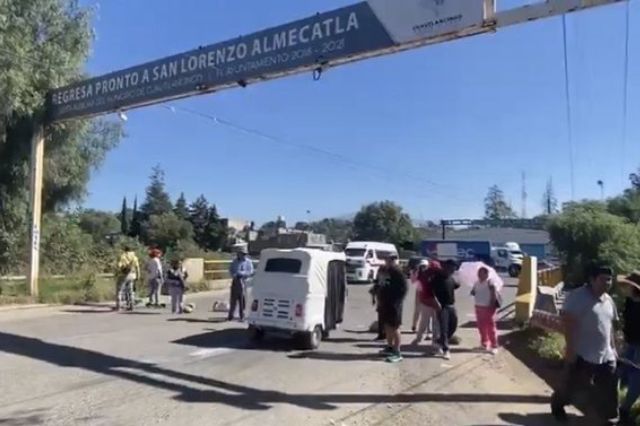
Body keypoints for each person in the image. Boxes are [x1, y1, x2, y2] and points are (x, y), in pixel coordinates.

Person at [550, 265, 618, 424]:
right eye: (603, 279)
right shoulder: (577, 297)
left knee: (609, 388)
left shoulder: (608, 300)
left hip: (605, 354)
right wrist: (571, 349)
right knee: (572, 386)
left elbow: (610, 327)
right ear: (592, 280)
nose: (607, 282)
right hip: (581, 352)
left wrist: (613, 348)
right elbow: (568, 324)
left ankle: (610, 418)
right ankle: (557, 404)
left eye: (609, 279)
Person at [617, 271, 640, 424]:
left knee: (636, 379)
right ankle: (616, 406)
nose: (624, 287)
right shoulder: (630, 301)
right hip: (630, 343)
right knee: (622, 374)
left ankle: (625, 410)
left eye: (628, 285)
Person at [376, 254, 408, 363]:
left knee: (395, 327)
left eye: (389, 260)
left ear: (394, 261)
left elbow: (404, 288)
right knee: (387, 326)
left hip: (394, 303)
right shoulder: (386, 271)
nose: (386, 261)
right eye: (386, 259)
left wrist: (397, 301)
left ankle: (397, 352)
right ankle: (390, 347)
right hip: (385, 303)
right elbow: (380, 284)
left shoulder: (397, 272)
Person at [431, 259, 460, 360]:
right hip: (441, 306)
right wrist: (436, 303)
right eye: (451, 268)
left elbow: (457, 285)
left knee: (453, 326)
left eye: (454, 268)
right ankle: (446, 349)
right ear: (446, 267)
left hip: (451, 306)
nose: (452, 270)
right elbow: (431, 292)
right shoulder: (437, 278)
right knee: (444, 328)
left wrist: (457, 278)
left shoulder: (451, 278)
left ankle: (439, 341)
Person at [471, 266, 499, 354]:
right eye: (478, 273)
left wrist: (491, 305)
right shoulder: (476, 282)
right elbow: (473, 292)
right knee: (481, 326)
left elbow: (493, 295)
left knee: (490, 327)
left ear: (486, 274)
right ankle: (484, 343)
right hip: (478, 306)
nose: (479, 275)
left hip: (488, 307)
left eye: (481, 273)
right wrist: (473, 290)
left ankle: (494, 345)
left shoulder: (490, 282)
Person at [412, 260, 441, 347]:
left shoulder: (428, 276)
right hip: (429, 301)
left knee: (432, 321)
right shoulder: (426, 276)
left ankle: (427, 339)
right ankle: (421, 338)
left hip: (429, 301)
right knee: (429, 321)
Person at [228, 248, 254, 321]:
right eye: (241, 254)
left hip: (244, 281)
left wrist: (243, 274)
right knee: (233, 299)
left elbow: (251, 271)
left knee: (242, 299)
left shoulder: (248, 262)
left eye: (244, 254)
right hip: (235, 281)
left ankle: (242, 315)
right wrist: (234, 275)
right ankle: (231, 315)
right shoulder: (235, 261)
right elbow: (230, 269)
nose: (243, 255)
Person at [115, 245, 140, 311]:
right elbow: (137, 267)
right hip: (132, 274)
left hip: (123, 274)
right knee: (131, 291)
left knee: (119, 290)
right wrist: (138, 276)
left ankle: (118, 306)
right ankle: (131, 306)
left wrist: (119, 270)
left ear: (125, 250)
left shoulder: (122, 256)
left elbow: (119, 265)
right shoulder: (135, 257)